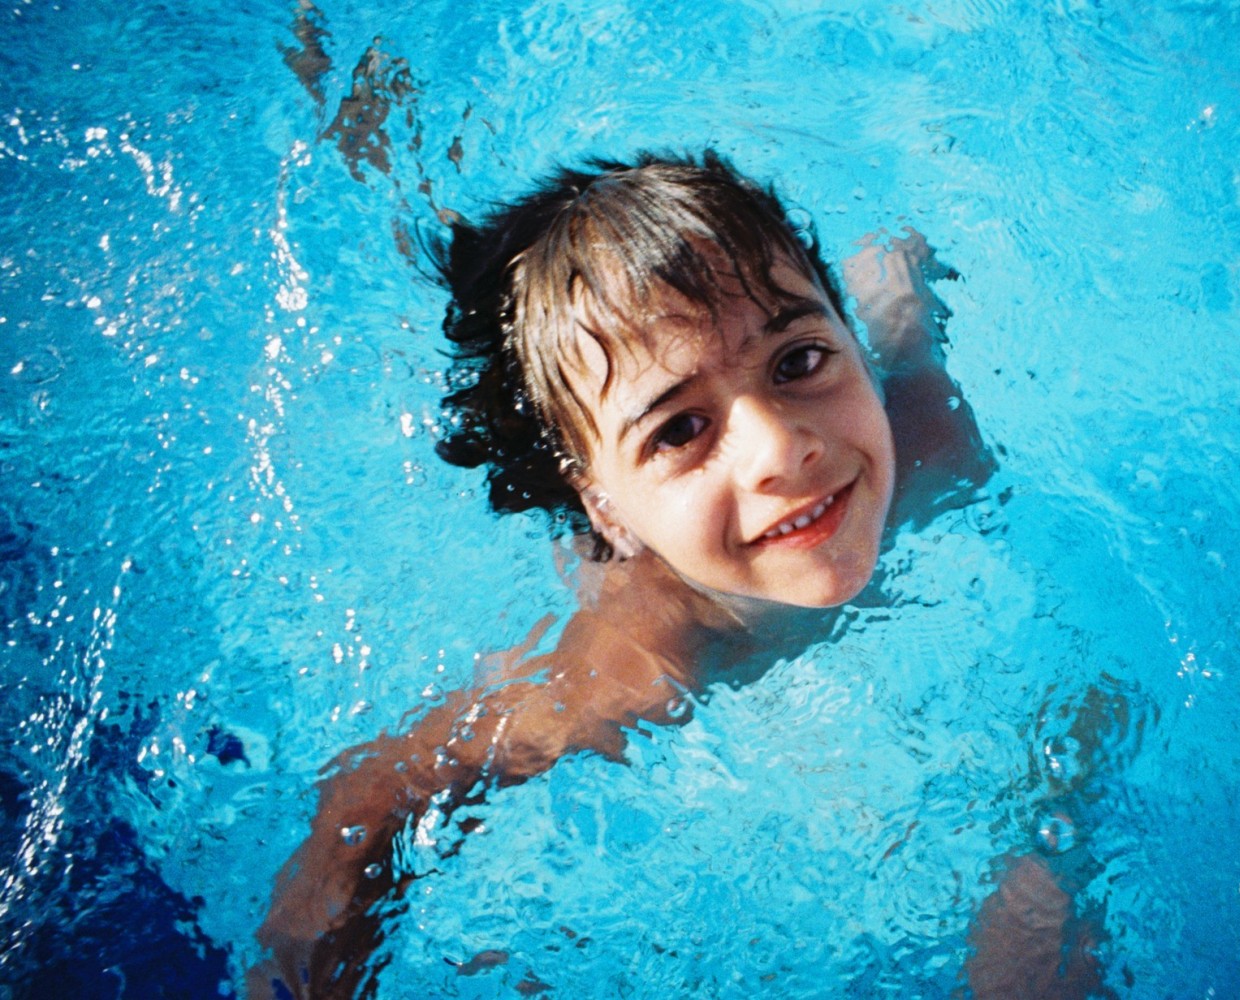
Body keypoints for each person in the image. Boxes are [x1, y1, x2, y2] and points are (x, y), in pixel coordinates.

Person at [249, 150, 1094, 998]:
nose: (782, 448)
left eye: (799, 361)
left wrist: (1050, 857)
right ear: (607, 508)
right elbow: (378, 792)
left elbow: (1084, 708)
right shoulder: (639, 660)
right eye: (680, 429)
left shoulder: (930, 441)